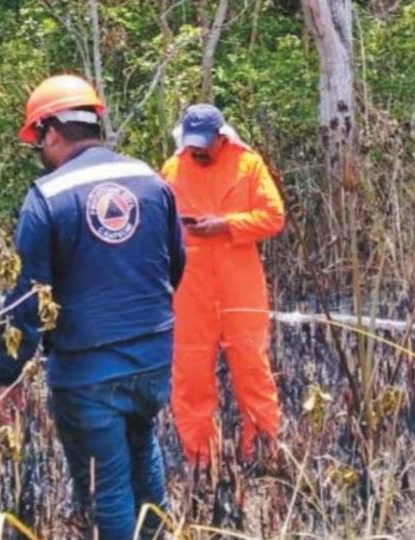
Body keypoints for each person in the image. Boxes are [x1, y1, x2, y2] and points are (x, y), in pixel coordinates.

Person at [0, 74, 185, 538]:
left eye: (39, 140)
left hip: (87, 372)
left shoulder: (47, 198)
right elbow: (175, 264)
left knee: (108, 491)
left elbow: (28, 300)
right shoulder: (151, 180)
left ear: (51, 132)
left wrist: (7, 374)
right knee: (143, 456)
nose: (41, 150)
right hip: (154, 358)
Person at [160, 104, 285, 468]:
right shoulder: (172, 169)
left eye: (204, 144)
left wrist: (227, 225)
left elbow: (273, 217)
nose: (197, 151)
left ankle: (262, 454)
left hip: (240, 287)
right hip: (189, 290)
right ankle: (201, 462)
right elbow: (156, 224)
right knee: (191, 377)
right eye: (192, 143)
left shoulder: (248, 164)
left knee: (252, 372)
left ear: (221, 136)